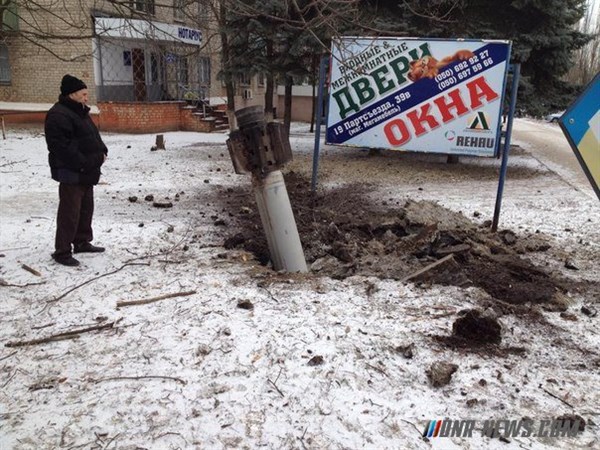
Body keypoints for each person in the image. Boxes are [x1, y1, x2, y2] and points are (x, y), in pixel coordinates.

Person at [45, 74, 108, 267]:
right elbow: (62, 148)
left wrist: (102, 151)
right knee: (69, 213)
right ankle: (62, 251)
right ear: (72, 94)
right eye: (84, 94)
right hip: (71, 172)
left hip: (86, 171)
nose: (86, 98)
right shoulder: (58, 115)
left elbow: (91, 136)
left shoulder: (80, 111)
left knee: (85, 209)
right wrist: (87, 162)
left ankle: (81, 241)